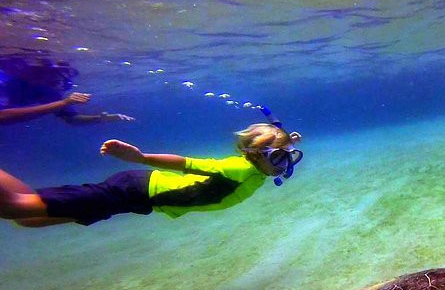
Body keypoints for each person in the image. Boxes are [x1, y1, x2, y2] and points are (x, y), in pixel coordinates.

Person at [0, 123, 303, 227]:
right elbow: (186, 163)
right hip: (134, 190)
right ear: (253, 155)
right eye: (278, 157)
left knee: (31, 219)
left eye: (286, 157)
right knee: (15, 207)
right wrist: (141, 157)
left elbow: (277, 149)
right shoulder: (237, 167)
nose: (284, 164)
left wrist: (288, 142)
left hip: (138, 199)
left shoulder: (259, 169)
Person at [0, 56, 134, 125]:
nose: (60, 81)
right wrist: (64, 103)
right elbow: (2, 116)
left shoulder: (46, 90)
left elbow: (72, 119)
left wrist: (101, 118)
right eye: (57, 75)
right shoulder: (5, 78)